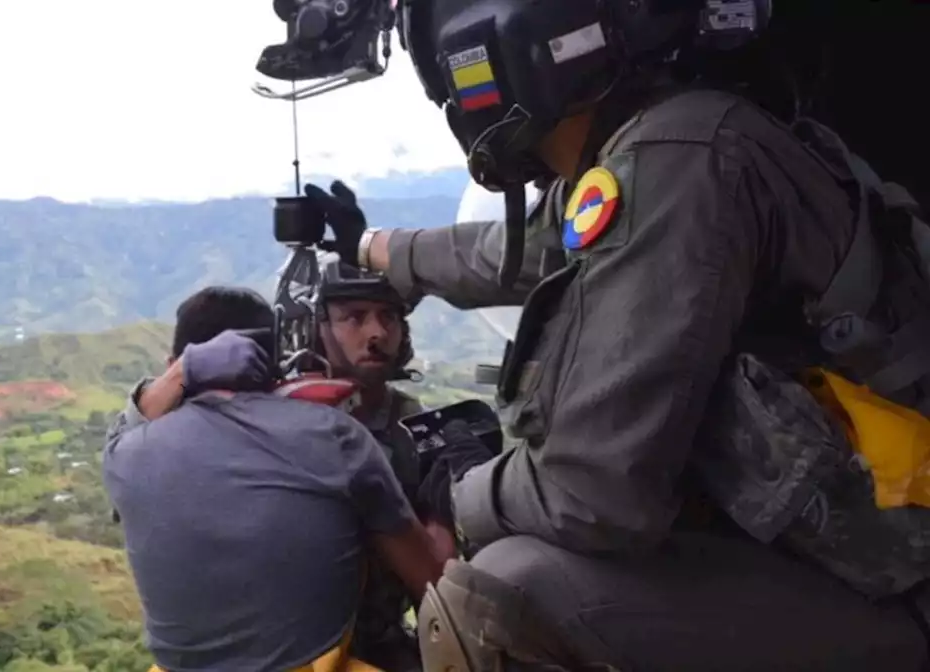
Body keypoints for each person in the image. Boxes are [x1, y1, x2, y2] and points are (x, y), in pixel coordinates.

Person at [268, 0, 930, 670]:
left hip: (896, 580)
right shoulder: (674, 140)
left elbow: (594, 496)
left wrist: (455, 492)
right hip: (861, 550)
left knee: (501, 590)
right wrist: (368, 244)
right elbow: (514, 251)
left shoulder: (677, 157)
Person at [106, 265, 447, 671]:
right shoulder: (333, 436)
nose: (375, 334)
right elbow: (432, 582)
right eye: (354, 317)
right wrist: (442, 506)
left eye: (388, 317)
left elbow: (121, 438)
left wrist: (181, 373)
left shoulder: (127, 457)